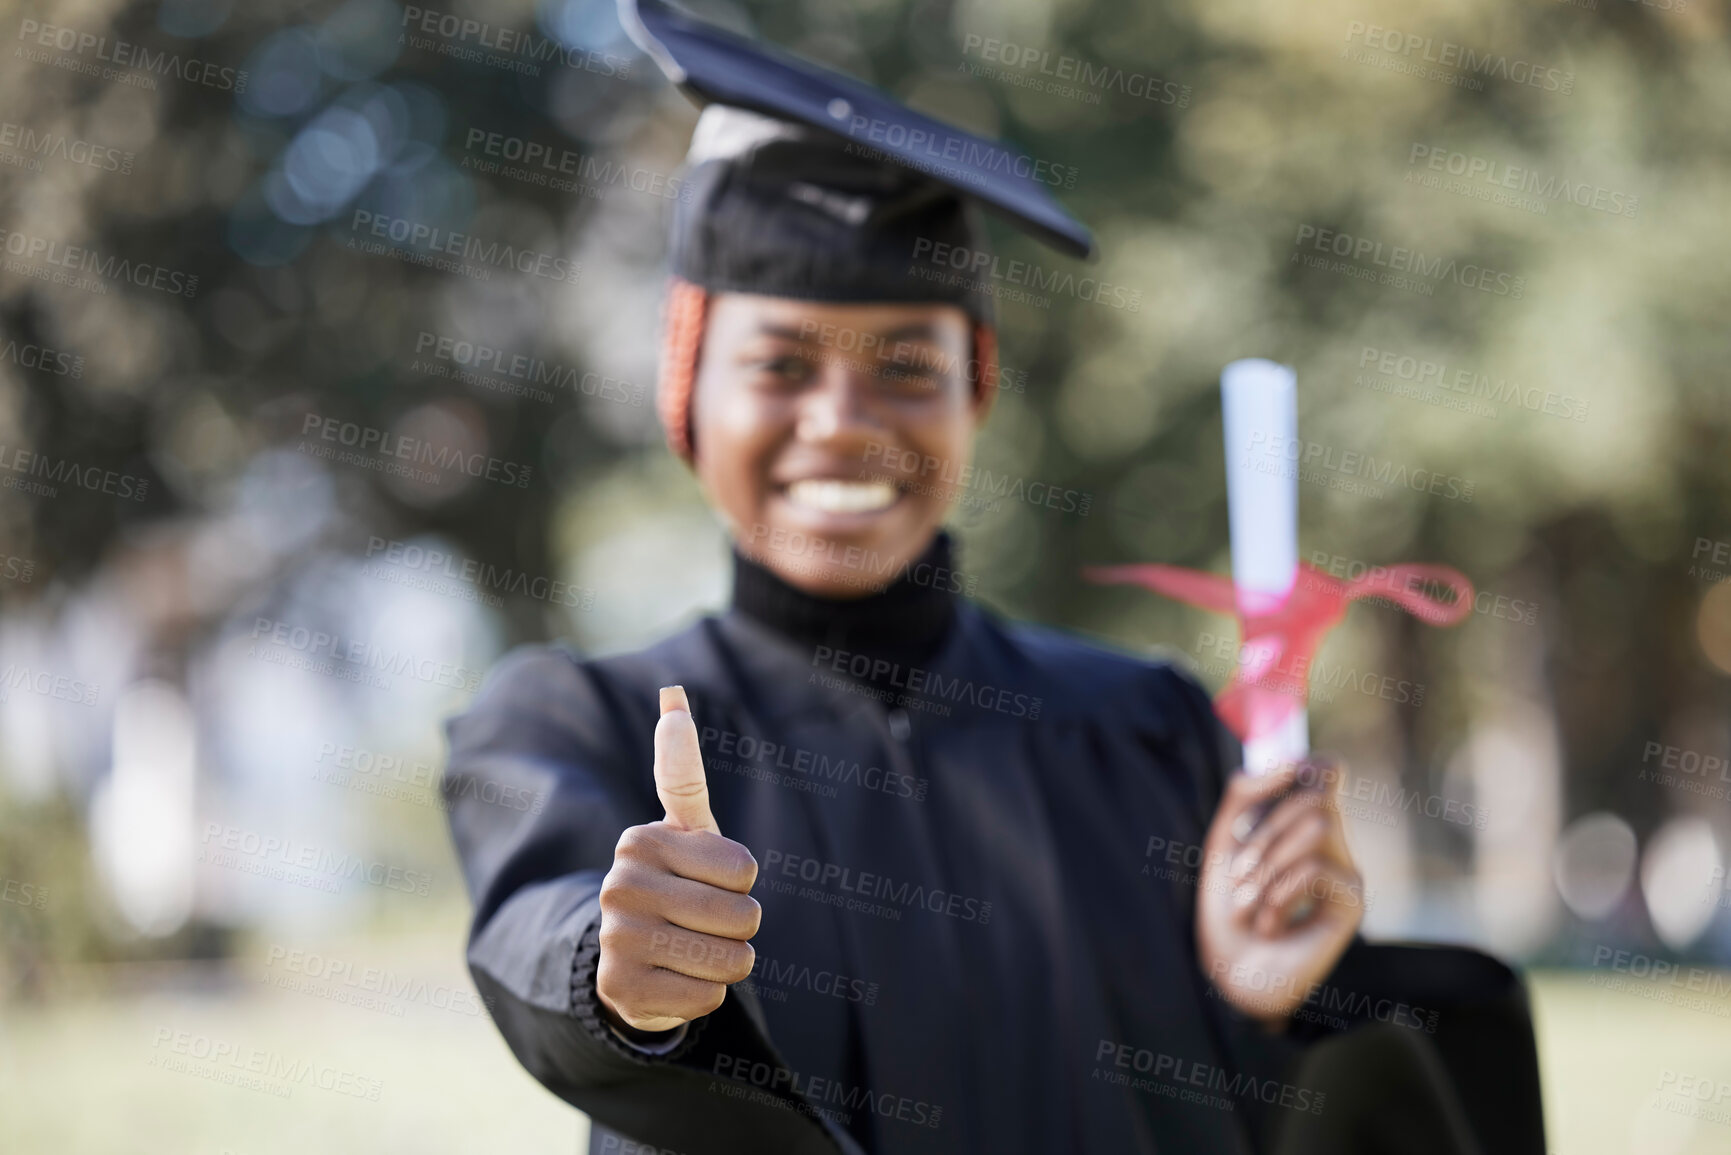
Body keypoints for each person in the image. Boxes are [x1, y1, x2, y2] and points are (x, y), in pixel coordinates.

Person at [442, 3, 1546, 1152]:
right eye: (779, 362)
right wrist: (616, 973)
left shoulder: (1149, 730)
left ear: (975, 394)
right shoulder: (581, 722)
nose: (844, 424)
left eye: (909, 365)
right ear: (687, 395)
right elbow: (536, 920)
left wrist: (1278, 1010)